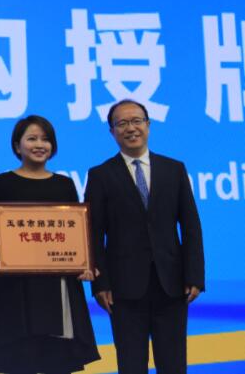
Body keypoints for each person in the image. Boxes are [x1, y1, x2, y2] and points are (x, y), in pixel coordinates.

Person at [85, 99, 205, 374]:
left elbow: (191, 226)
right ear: (112, 131)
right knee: (131, 364)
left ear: (148, 125)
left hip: (172, 283)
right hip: (123, 288)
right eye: (122, 123)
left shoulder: (174, 169)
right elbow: (93, 234)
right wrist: (100, 283)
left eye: (137, 121)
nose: (131, 128)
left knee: (173, 363)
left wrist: (195, 276)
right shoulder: (101, 175)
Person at [0, 115, 100, 374]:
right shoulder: (1, 183)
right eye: (31, 138)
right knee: (17, 357)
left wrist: (87, 263)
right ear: (17, 145)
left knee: (56, 359)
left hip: (57, 285)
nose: (39, 145)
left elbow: (76, 232)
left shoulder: (64, 185)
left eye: (45, 139)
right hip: (14, 286)